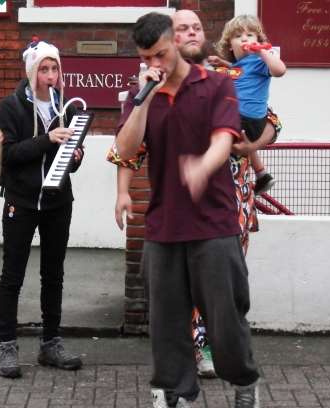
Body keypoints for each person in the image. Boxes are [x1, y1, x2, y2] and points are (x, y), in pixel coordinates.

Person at [111, 9, 282, 380]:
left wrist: (236, 151)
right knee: (170, 314)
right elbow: (126, 150)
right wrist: (122, 190)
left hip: (227, 204)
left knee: (226, 305)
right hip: (170, 218)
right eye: (182, 28)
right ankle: (180, 378)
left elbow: (267, 121)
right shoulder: (143, 89)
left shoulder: (224, 78)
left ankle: (236, 372)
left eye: (196, 27)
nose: (190, 33)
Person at [0, 38, 84, 379]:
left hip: (58, 201)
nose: (50, 75)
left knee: (54, 274)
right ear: (31, 71)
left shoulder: (68, 107)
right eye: (43, 69)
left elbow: (69, 160)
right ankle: (7, 346)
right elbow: (8, 154)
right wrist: (48, 139)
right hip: (22, 199)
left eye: (54, 68)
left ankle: (51, 343)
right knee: (12, 274)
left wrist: (75, 156)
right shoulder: (11, 107)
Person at [209, 14, 286, 194]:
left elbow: (280, 70)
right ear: (230, 45)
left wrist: (263, 52)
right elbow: (239, 72)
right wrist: (223, 63)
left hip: (248, 118)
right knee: (242, 140)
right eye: (238, 36)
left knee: (213, 119)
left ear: (258, 40)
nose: (244, 38)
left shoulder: (259, 62)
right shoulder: (242, 65)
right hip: (246, 121)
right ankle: (261, 174)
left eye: (250, 35)